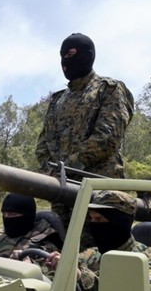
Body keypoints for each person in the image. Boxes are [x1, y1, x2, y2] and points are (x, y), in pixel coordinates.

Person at [35, 33, 134, 240]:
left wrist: (67, 167)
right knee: (63, 251)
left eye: (71, 54)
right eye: (62, 56)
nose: (65, 61)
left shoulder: (108, 89)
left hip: (100, 197)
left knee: (97, 254)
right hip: (62, 196)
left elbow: (107, 138)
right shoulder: (58, 100)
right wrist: (49, 172)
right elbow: (43, 145)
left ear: (88, 55)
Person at [48, 190, 151, 291]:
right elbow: (60, 273)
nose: (94, 225)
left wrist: (81, 277)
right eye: (92, 219)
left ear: (120, 223)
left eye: (99, 219)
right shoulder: (91, 255)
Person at [0, 193, 61, 259]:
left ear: (27, 216)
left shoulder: (44, 243)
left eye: (12, 214)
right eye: (4, 214)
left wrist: (28, 263)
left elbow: (46, 270)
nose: (7, 218)